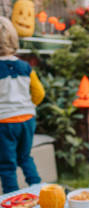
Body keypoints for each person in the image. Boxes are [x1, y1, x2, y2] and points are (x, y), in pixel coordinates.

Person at [0, 16, 44, 194]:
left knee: (6, 165)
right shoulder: (25, 67)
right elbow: (39, 93)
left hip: (4, 123)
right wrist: (27, 106)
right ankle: (40, 191)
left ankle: (12, 203)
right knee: (25, 158)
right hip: (27, 119)